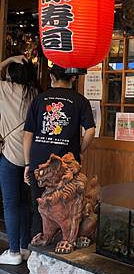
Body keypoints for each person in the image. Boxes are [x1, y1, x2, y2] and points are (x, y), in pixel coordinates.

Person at [23, 64, 96, 239]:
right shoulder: (80, 100)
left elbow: (28, 134)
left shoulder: (40, 99)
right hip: (66, 167)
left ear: (52, 77)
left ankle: (36, 248)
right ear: (73, 78)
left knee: (39, 208)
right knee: (68, 208)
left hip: (40, 165)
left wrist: (27, 164)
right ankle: (62, 244)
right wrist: (79, 151)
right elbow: (90, 130)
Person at [0, 55, 38, 265]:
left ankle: (13, 251)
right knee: (25, 203)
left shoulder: (5, 89)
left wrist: (9, 59)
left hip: (10, 156)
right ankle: (24, 248)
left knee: (10, 204)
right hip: (30, 156)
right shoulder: (34, 93)